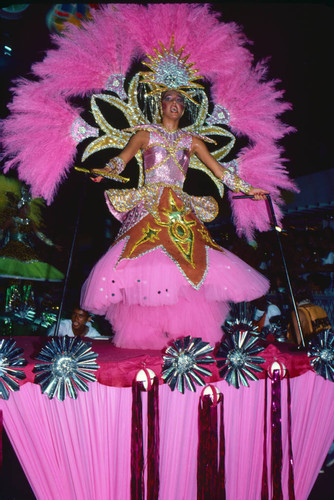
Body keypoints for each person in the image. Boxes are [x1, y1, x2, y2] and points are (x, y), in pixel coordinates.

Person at [80, 87, 269, 349]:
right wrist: (106, 170)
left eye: (180, 100)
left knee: (189, 264)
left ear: (184, 108)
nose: (175, 103)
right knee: (144, 264)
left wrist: (247, 189)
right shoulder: (145, 134)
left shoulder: (192, 141)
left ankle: (183, 330)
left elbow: (220, 171)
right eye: (169, 98)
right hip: (149, 206)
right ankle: (147, 330)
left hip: (180, 209)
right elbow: (121, 160)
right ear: (161, 104)